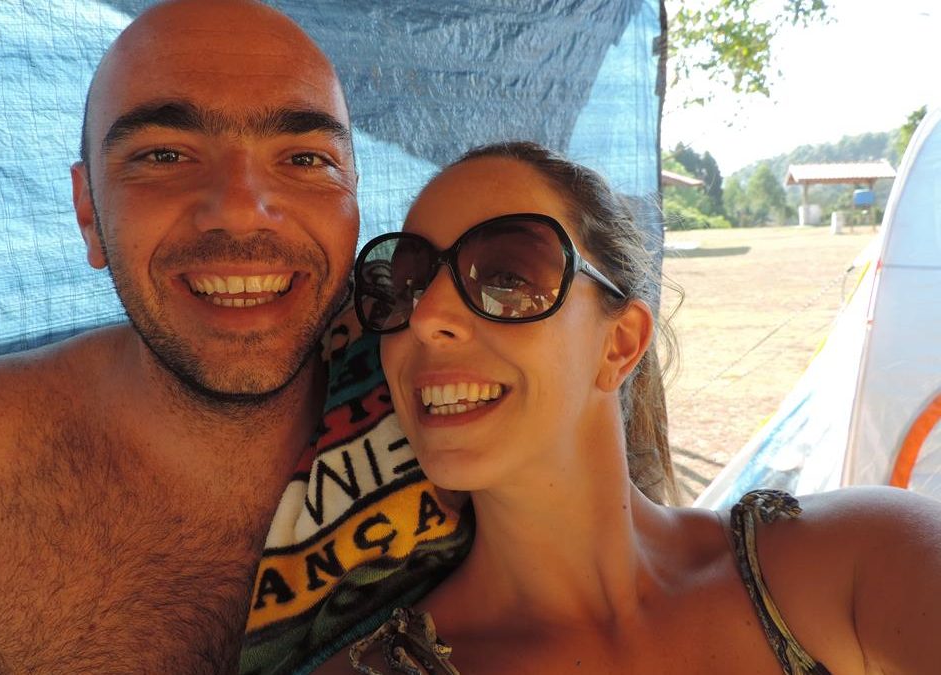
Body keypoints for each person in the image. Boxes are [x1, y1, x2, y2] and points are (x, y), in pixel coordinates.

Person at [0, 1, 470, 673]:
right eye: (164, 154)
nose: (242, 210)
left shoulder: (452, 410)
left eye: (305, 158)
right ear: (88, 212)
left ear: (354, 202)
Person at [318, 141, 941, 674]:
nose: (425, 317)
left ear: (619, 344)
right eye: (403, 286)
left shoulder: (868, 559)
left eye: (506, 277)